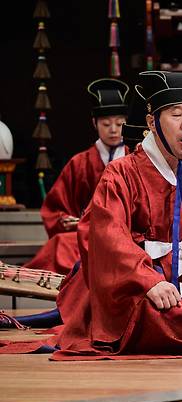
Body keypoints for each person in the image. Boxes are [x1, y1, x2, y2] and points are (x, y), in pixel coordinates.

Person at [54, 71, 182, 356]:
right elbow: (107, 238)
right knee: (178, 318)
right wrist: (148, 281)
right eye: (176, 114)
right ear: (152, 122)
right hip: (140, 285)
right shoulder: (122, 173)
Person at [24, 78, 130, 274]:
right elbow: (56, 208)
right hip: (88, 234)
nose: (114, 129)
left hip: (127, 234)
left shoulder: (136, 159)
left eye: (119, 123)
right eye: (106, 124)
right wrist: (70, 220)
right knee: (61, 244)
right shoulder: (80, 163)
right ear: (94, 123)